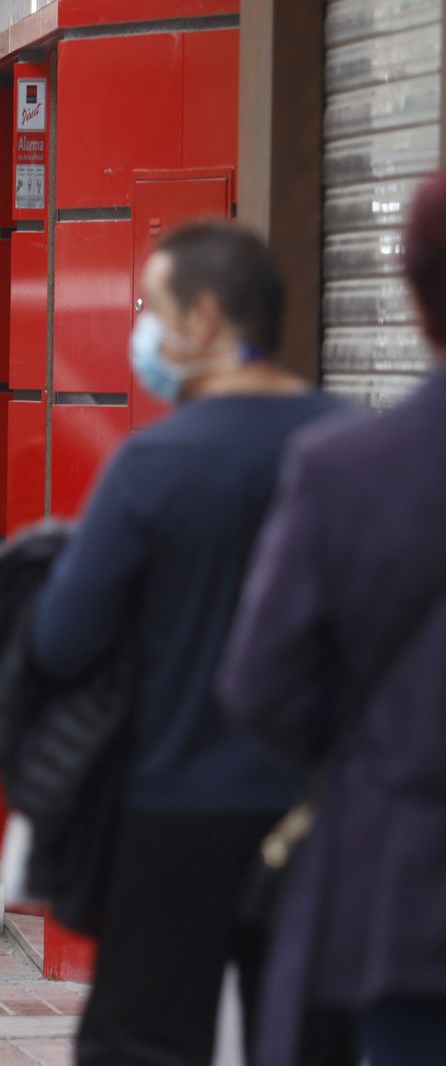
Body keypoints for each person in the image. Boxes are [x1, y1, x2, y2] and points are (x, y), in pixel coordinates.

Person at [28, 222, 344, 1065]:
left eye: (154, 309)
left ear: (203, 319)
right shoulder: (352, 445)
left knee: (142, 1041)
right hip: (323, 816)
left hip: (174, 808)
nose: (145, 333)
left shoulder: (154, 465)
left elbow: (62, 639)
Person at [218, 174, 446, 1066]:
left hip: (406, 899)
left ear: (416, 297)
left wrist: (367, 757)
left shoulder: (348, 470)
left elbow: (261, 683)